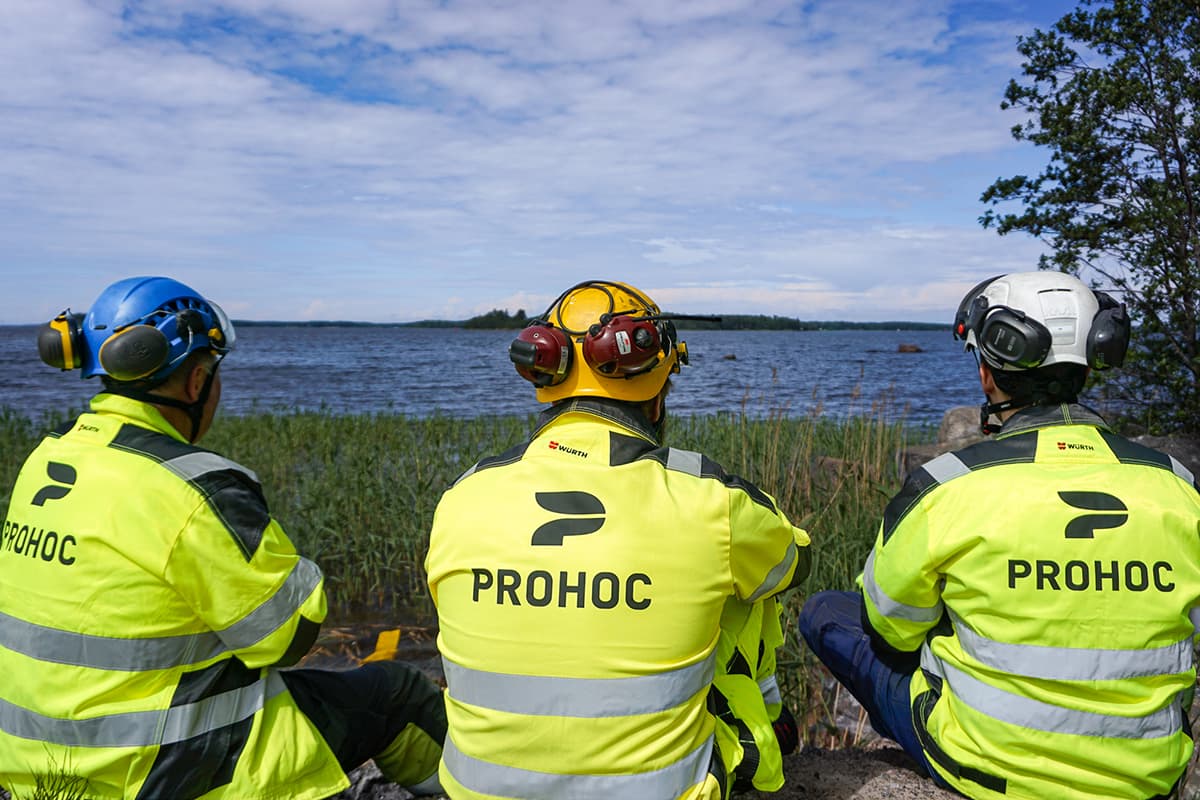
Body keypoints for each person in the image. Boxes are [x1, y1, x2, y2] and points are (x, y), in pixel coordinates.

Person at [0, 277, 445, 800]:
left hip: (32, 761)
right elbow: (289, 635)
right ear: (195, 382)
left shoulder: (49, 459)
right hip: (157, 770)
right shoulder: (192, 485)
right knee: (396, 693)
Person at [799, 271, 1200, 799]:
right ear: (1091, 363)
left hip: (987, 768)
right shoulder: (1178, 486)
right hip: (1149, 773)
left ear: (989, 375)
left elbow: (890, 627)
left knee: (827, 612)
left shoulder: (946, 486)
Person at [425, 279, 812, 799]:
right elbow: (794, 563)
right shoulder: (711, 502)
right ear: (657, 393)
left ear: (544, 379)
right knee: (750, 591)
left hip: (474, 792)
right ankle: (762, 726)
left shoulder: (461, 498)